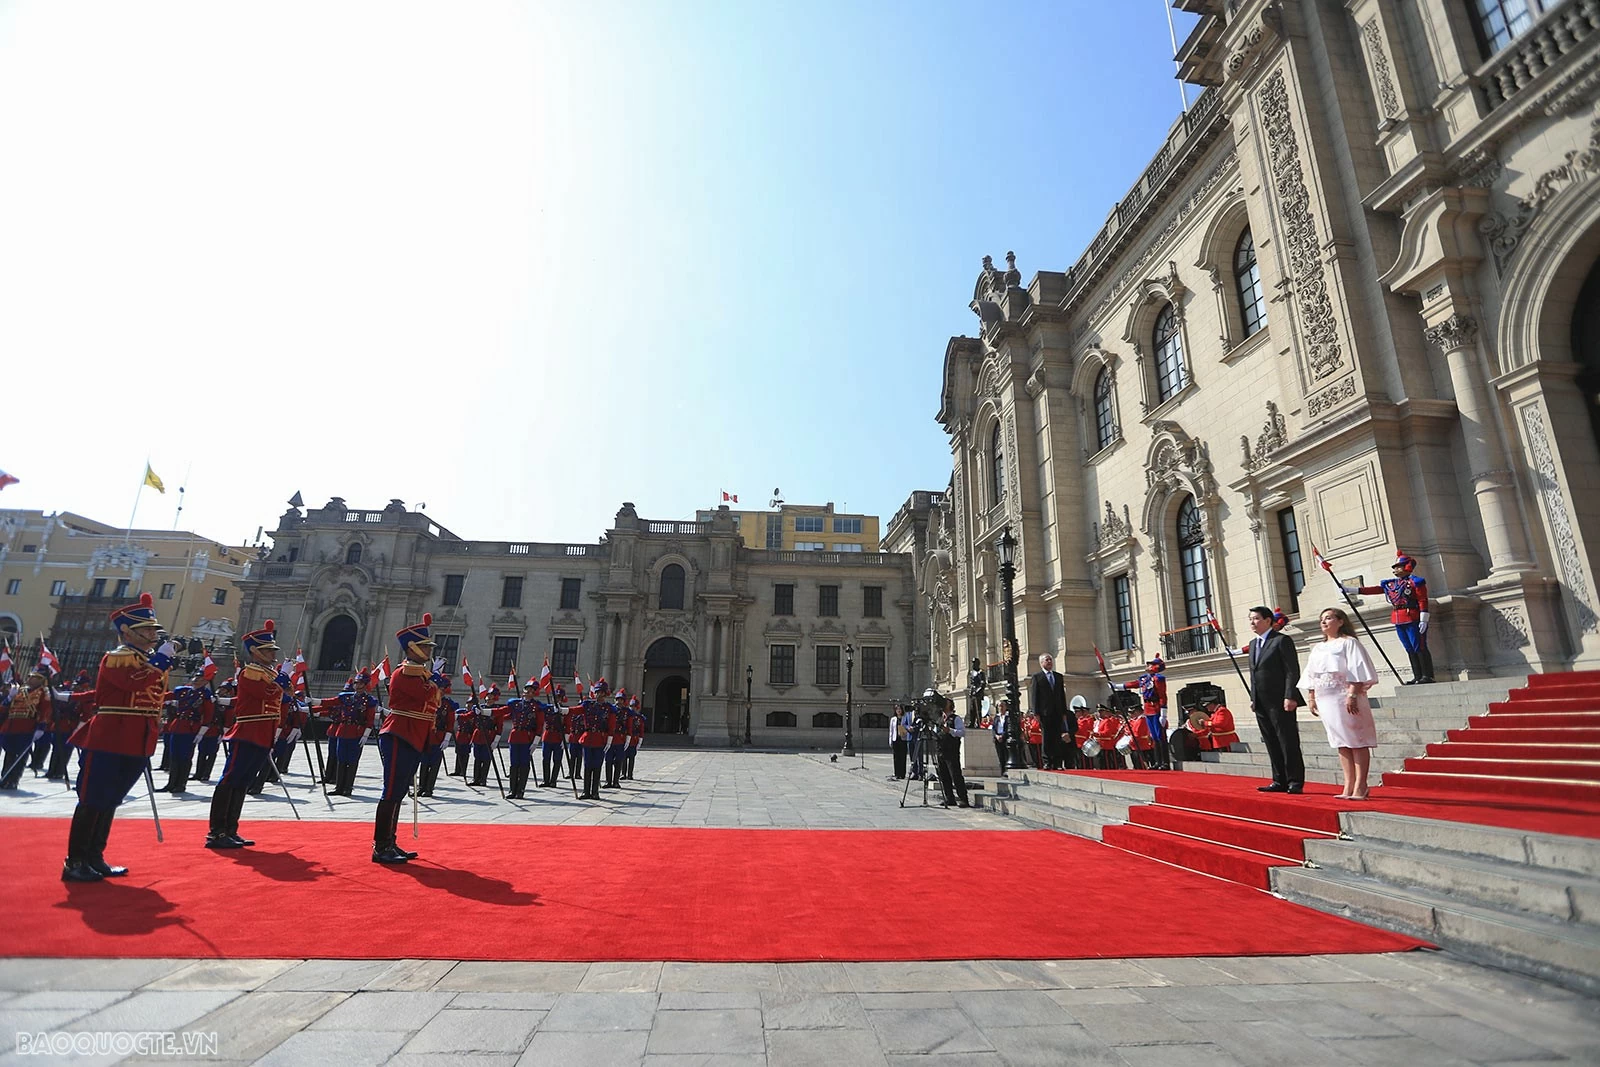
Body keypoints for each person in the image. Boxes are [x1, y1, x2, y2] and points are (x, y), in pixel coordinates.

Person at [62, 593, 177, 881]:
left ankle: (95, 856)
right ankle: (75, 861)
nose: (153, 635)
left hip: (138, 738)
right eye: (147, 630)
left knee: (112, 798)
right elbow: (132, 682)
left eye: (153, 630)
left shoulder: (146, 660)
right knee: (93, 798)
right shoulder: (119, 657)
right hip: (111, 735)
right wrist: (161, 660)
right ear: (127, 631)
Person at [206, 620, 289, 849]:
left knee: (243, 781)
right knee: (231, 778)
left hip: (264, 731)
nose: (273, 654)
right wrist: (282, 679)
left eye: (273, 650)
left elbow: (282, 694)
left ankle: (230, 829)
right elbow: (266, 693)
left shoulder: (268, 672)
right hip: (248, 730)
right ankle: (216, 831)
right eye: (268, 650)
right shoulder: (250, 671)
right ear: (254, 651)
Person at [372, 612, 443, 863]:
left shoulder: (420, 673)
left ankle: (391, 842)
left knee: (399, 791)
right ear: (412, 648)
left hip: (413, 736)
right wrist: (433, 683)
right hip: (399, 735)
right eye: (424, 646)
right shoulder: (404, 674)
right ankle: (381, 846)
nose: (428, 650)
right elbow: (427, 696)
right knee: (391, 790)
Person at [1300, 606, 1379, 799]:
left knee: (1356, 740)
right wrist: (1311, 697)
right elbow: (1312, 673)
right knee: (1340, 742)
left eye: (1328, 618)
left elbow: (1356, 668)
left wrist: (1352, 694)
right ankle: (1348, 785)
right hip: (1325, 698)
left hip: (1345, 695)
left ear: (1341, 621)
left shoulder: (1349, 643)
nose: (1324, 622)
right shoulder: (1318, 647)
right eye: (1321, 619)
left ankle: (1361, 785)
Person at [1345, 550, 1434, 683]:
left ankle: (1427, 676)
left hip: (1412, 617)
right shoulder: (1392, 584)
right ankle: (1417, 676)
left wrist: (1424, 618)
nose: (1395, 570)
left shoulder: (1416, 582)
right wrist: (1352, 590)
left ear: (1407, 567)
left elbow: (1422, 600)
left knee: (1419, 646)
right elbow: (1374, 590)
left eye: (1398, 567)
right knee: (1409, 648)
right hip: (1399, 618)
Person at [1246, 604, 1304, 793]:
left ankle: (1295, 780)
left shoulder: (1281, 641)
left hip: (1280, 700)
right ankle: (1279, 780)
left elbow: (1291, 671)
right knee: (1270, 740)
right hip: (1261, 701)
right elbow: (1254, 673)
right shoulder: (1254, 644)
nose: (1252, 623)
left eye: (1256, 618)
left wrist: (1290, 695)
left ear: (1268, 620)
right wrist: (1253, 697)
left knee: (1287, 740)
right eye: (1251, 619)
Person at [316, 672, 377, 797]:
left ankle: (348, 787)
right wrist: (314, 701)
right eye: (356, 683)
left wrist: (366, 735)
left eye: (360, 683)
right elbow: (330, 702)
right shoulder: (346, 697)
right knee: (341, 759)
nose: (357, 685)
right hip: (343, 730)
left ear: (365, 685)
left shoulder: (369, 700)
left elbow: (370, 720)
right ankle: (339, 787)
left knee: (352, 760)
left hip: (357, 732)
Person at [159, 674, 213, 794]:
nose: (196, 680)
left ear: (205, 682)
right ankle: (171, 783)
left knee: (185, 757)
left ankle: (181, 784)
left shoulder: (205, 695)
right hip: (178, 725)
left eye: (200, 679)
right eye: (196, 678)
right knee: (174, 756)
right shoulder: (183, 691)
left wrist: (201, 732)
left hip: (190, 728)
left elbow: (208, 715)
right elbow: (165, 696)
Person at [2, 665, 53, 789]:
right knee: (9, 753)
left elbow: (45, 710)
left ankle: (13, 780)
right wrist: (9, 698)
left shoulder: (44, 693)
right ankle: (4, 778)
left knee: (20, 755)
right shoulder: (20, 690)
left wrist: (41, 727)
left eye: (35, 677)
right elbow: (5, 707)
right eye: (31, 676)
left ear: (41, 680)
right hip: (11, 725)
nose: (31, 679)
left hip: (27, 726)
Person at [1117, 657, 1170, 771]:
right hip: (1148, 709)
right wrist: (1118, 686)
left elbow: (1162, 696)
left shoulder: (1158, 678)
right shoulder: (1145, 679)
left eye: (1151, 664)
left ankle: (1165, 763)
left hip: (1156, 708)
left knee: (1160, 736)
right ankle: (1157, 762)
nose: (1148, 666)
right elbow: (1134, 684)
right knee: (1154, 737)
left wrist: (1163, 713)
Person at [1029, 653, 1071, 770]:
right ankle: (1047, 761)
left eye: (1050, 660)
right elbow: (1035, 696)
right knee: (1047, 737)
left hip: (1057, 712)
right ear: (1041, 663)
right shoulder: (1037, 677)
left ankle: (1057, 762)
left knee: (1057, 737)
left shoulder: (1058, 676)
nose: (1049, 662)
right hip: (1044, 713)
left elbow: (1062, 695)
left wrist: (1064, 712)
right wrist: (1036, 712)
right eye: (1047, 660)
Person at [934, 697, 970, 808]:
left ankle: (963, 798)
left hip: (951, 751)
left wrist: (950, 731)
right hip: (941, 750)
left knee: (955, 775)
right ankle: (949, 798)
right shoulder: (940, 719)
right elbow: (936, 732)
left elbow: (962, 733)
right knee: (944, 775)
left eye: (946, 702)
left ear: (950, 705)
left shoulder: (956, 719)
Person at [990, 696, 1011, 770]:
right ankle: (1002, 771)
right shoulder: (996, 717)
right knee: (1000, 755)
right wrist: (996, 736)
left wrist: (1002, 736)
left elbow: (1008, 727)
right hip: (997, 738)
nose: (1001, 708)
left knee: (1006, 755)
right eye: (999, 706)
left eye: (1002, 706)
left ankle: (1007, 770)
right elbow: (993, 728)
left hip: (1005, 738)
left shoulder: (1008, 717)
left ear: (1005, 707)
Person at [889, 703, 909, 779]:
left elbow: (907, 727)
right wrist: (890, 740)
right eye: (897, 709)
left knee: (903, 757)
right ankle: (897, 773)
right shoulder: (893, 719)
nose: (899, 711)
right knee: (896, 757)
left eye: (900, 709)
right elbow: (891, 730)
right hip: (895, 739)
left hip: (903, 739)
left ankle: (902, 773)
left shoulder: (904, 718)